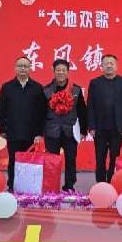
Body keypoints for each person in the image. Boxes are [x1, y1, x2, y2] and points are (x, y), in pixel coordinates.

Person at [0, 56, 47, 191]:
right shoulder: (7, 87)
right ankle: (12, 186)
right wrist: (2, 129)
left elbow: (42, 112)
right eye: (20, 66)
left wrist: (39, 133)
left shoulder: (37, 88)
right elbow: (2, 109)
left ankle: (27, 187)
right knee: (13, 160)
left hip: (32, 133)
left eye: (25, 66)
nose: (23, 68)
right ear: (15, 68)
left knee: (29, 162)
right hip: (13, 131)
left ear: (30, 68)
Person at [43, 59, 88, 192]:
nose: (61, 72)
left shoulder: (76, 90)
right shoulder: (46, 90)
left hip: (70, 130)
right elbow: (41, 112)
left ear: (68, 72)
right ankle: (52, 187)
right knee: (52, 161)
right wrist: (40, 132)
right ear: (54, 71)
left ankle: (69, 186)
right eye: (58, 70)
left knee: (70, 160)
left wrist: (83, 130)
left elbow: (82, 111)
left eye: (63, 70)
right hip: (52, 130)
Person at [86, 54, 122, 183]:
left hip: (117, 127)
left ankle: (112, 181)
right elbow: (90, 106)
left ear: (116, 66)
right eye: (106, 63)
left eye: (112, 63)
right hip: (99, 128)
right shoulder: (95, 83)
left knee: (115, 157)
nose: (109, 65)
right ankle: (100, 183)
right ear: (102, 66)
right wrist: (91, 126)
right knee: (100, 157)